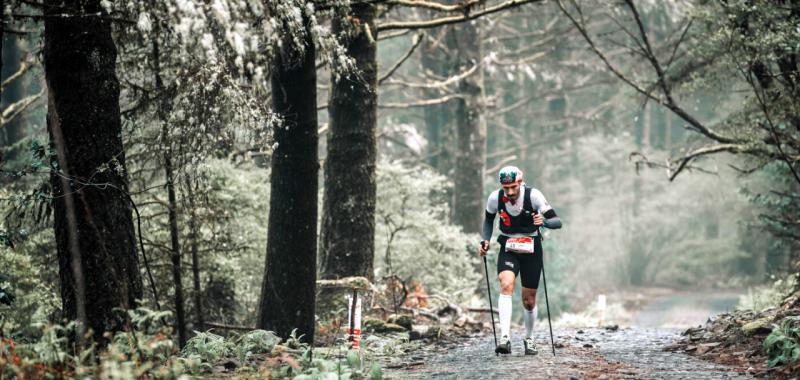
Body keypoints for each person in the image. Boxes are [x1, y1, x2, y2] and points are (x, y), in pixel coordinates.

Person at [478, 165, 562, 355]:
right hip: (508, 247)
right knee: (506, 284)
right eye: (506, 188)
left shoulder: (534, 196)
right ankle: (505, 338)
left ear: (520, 183)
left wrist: (545, 222)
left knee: (529, 300)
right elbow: (488, 220)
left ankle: (529, 338)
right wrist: (485, 240)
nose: (510, 192)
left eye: (513, 187)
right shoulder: (495, 198)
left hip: (532, 249)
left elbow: (557, 221)